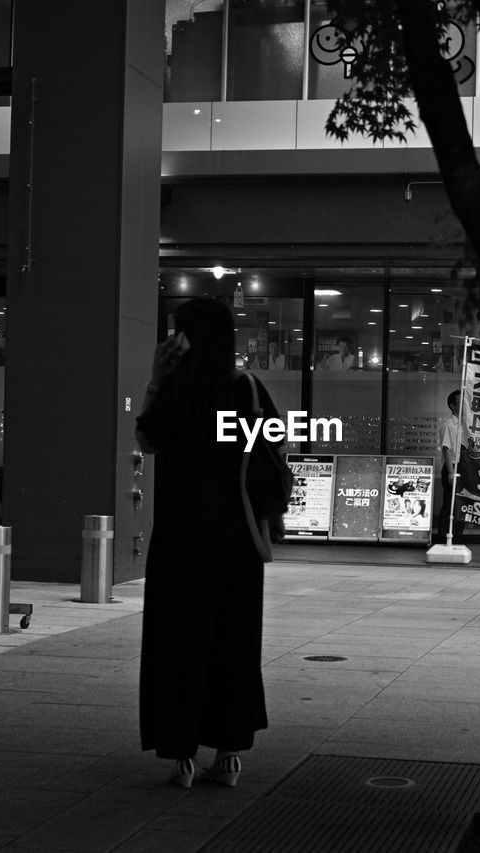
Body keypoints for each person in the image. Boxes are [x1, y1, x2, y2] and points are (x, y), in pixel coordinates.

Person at [135, 298, 277, 791]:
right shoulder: (248, 389)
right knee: (233, 646)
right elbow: (276, 445)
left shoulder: (175, 390)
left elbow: (146, 441)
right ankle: (229, 755)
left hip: (179, 541)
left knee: (177, 647)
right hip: (237, 541)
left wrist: (156, 376)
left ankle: (182, 758)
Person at [435, 389, 467, 544]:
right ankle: (443, 536)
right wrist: (451, 472)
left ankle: (458, 535)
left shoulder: (465, 425)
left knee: (462, 504)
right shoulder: (448, 425)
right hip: (453, 466)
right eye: (461, 403)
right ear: (452, 406)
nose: (464, 406)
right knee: (449, 503)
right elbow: (446, 449)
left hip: (465, 467)